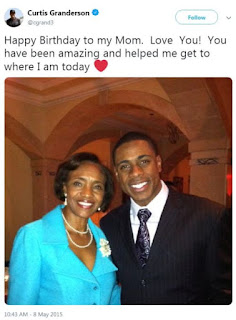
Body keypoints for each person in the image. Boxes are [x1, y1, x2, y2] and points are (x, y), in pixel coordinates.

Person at [100, 132, 231, 304]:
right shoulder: (109, 224)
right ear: (117, 174)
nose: (135, 172)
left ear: (158, 163)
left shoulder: (208, 215)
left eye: (144, 161)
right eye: (125, 166)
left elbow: (225, 291)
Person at [7, 153, 120, 305]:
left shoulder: (101, 237)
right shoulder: (33, 236)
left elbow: (111, 294)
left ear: (103, 195)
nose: (87, 193)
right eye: (78, 183)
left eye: (97, 186)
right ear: (64, 187)